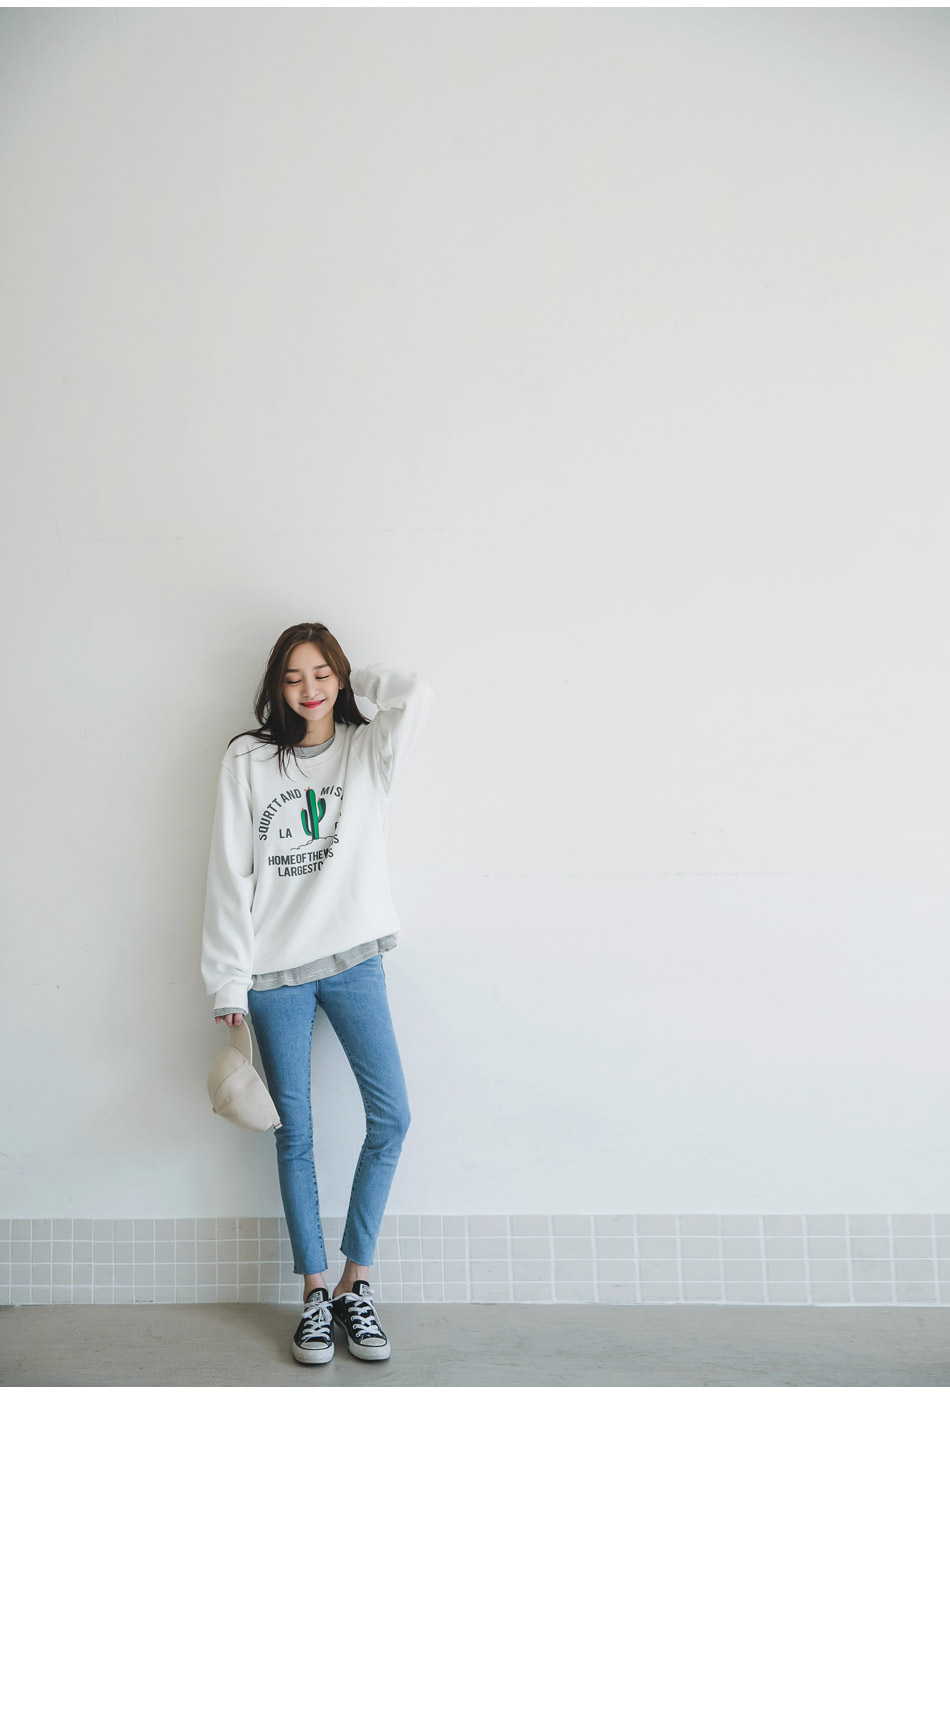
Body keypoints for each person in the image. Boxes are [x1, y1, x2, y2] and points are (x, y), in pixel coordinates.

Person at [201, 621, 434, 1366]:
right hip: (274, 974)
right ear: (276, 685)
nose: (308, 689)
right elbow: (229, 874)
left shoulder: (368, 750)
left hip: (355, 960)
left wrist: (353, 680)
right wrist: (227, 980)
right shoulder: (248, 759)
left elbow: (415, 695)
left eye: (322, 673)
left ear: (340, 675)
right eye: (294, 676)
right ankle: (312, 1295)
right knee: (294, 1135)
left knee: (391, 1116)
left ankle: (354, 1284)